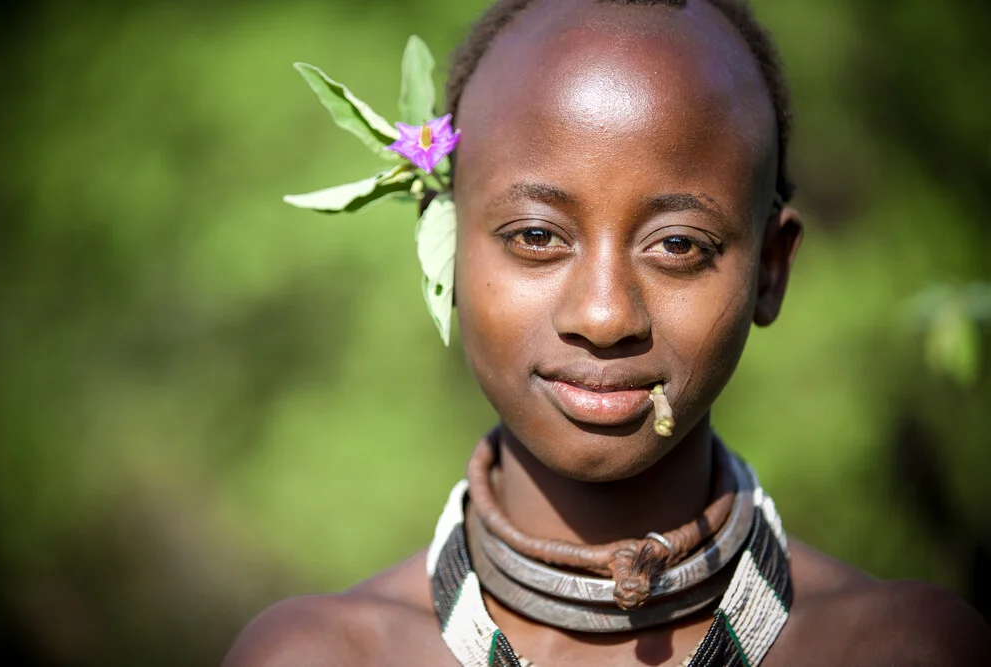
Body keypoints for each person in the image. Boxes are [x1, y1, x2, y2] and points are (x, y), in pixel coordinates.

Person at [224, 0, 991, 664]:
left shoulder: (901, 649)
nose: (602, 315)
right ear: (447, 244)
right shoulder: (319, 657)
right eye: (535, 236)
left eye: (679, 245)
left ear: (770, 270)